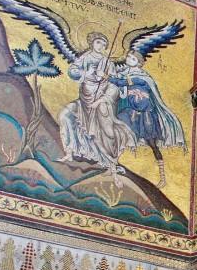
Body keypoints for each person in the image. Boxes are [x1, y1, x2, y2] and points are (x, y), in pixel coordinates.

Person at [58, 33, 138, 181]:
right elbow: (72, 71)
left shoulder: (108, 63)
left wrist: (103, 95)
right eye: (98, 43)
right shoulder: (84, 58)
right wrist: (84, 73)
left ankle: (111, 163)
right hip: (84, 101)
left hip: (101, 102)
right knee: (65, 115)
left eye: (103, 44)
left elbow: (114, 86)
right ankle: (71, 151)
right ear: (91, 43)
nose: (100, 46)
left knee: (107, 132)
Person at [112, 50, 186, 188]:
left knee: (152, 144)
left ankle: (162, 177)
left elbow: (123, 82)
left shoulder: (143, 78)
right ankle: (113, 165)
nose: (129, 59)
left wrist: (107, 77)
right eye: (128, 56)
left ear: (139, 64)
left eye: (133, 59)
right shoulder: (123, 74)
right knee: (118, 130)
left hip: (145, 116)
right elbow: (121, 87)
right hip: (129, 112)